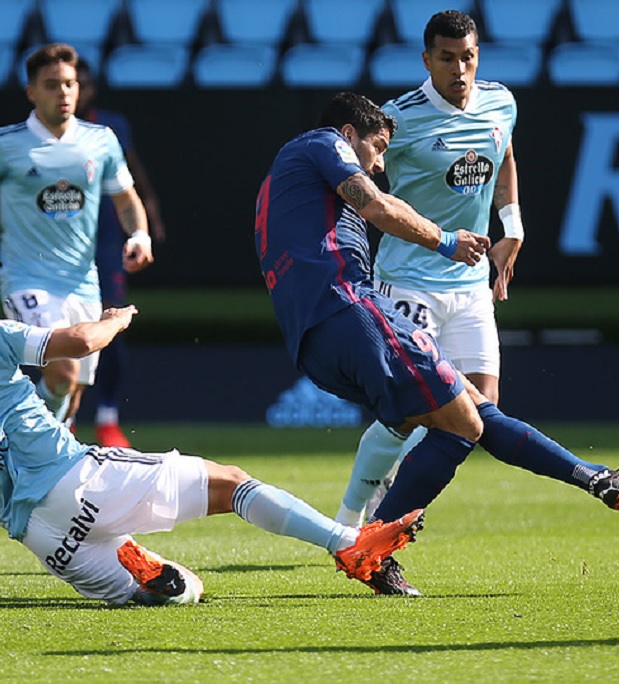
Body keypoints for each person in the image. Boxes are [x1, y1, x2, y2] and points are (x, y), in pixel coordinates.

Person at [255, 91, 619, 595]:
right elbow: (376, 205)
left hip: (316, 342)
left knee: (463, 409)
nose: (379, 164)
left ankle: (594, 478)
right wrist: (447, 241)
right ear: (350, 135)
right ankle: (369, 547)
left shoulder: (288, 176)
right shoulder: (323, 143)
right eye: (377, 149)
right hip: (349, 312)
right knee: (465, 421)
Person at [0, 306, 425, 606]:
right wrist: (115, 321)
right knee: (231, 484)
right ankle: (349, 544)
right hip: (70, 479)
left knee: (186, 588)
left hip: (45, 539)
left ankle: (161, 585)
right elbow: (80, 341)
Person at [334, 9, 525, 529]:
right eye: (447, 58)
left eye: (467, 57)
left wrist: (513, 227)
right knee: (408, 412)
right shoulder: (399, 118)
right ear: (427, 60)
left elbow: (503, 154)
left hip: (470, 283)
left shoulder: (500, 102)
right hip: (406, 278)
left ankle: (386, 504)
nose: (459, 70)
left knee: (480, 412)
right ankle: (359, 514)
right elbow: (361, 180)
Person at [0, 43, 154, 431]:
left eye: (69, 84)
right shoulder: (7, 145)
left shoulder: (100, 140)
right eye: (52, 85)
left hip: (82, 284)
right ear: (31, 92)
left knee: (72, 393)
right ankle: (21, 445)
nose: (64, 92)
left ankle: (31, 453)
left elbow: (125, 198)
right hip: (25, 279)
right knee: (63, 371)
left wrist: (139, 234)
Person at [75, 56, 168, 448]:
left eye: (79, 83)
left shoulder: (110, 126)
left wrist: (149, 218)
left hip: (107, 239)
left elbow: (132, 173)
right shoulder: (31, 139)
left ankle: (108, 419)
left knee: (110, 321)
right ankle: (63, 419)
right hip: (54, 247)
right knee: (60, 329)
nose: (72, 92)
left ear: (90, 88)